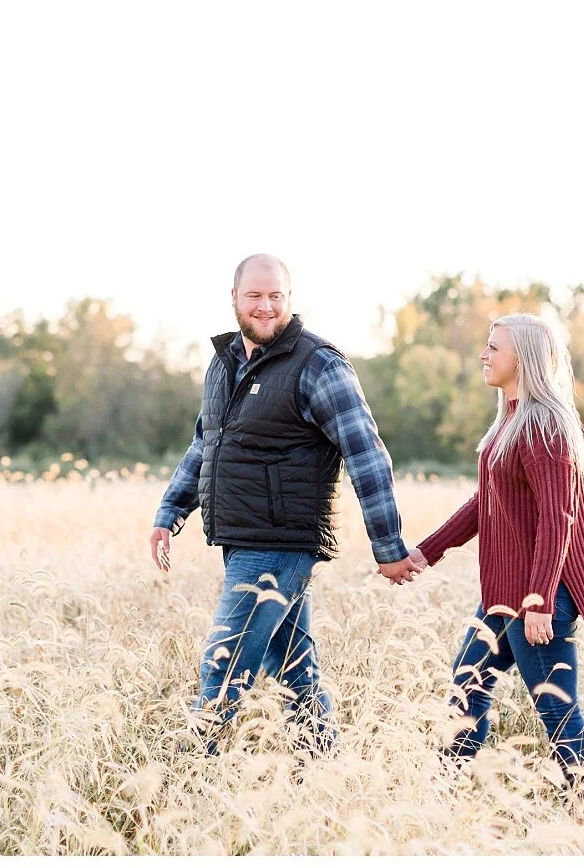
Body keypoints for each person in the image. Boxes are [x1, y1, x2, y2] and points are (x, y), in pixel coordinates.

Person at [149, 253, 423, 754]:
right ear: (233, 298)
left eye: (276, 296)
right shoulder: (224, 361)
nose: (266, 306)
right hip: (241, 539)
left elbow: (365, 452)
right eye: (254, 295)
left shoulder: (318, 364)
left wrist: (387, 544)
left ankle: (181, 784)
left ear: (290, 300)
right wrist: (170, 512)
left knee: (223, 667)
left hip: (280, 543)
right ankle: (326, 767)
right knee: (295, 671)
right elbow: (205, 443)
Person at [407, 313, 584, 806]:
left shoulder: (544, 425)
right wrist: (426, 550)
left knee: (558, 715)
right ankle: (443, 800)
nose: (483, 354)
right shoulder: (511, 417)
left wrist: (540, 599)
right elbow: (486, 503)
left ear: (522, 358)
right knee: (466, 692)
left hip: (537, 597)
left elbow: (557, 517)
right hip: (504, 595)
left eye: (493, 348)